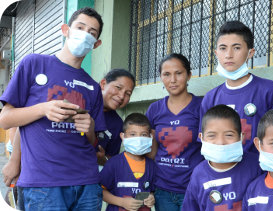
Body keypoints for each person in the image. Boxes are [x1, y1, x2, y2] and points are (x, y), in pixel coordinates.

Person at [0, 7, 106, 210]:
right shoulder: (34, 64)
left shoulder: (92, 86)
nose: (85, 35)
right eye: (80, 27)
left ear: (97, 44)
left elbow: (93, 143)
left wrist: (90, 128)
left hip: (88, 183)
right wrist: (43, 109)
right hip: (43, 184)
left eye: (91, 33)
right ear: (65, 29)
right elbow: (5, 119)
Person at [200, 21, 273, 155]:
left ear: (250, 52)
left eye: (236, 48)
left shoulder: (269, 91)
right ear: (216, 53)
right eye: (223, 48)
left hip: (258, 172)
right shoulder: (210, 98)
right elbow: (206, 143)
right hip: (222, 172)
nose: (228, 54)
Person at [145, 53, 203, 211]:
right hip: (162, 189)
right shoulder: (154, 109)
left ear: (189, 75)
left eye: (179, 73)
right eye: (167, 74)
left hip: (192, 188)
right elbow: (151, 152)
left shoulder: (202, 107)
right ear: (161, 77)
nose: (173, 80)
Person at [182, 105, 262, 210]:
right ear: (201, 138)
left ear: (241, 137)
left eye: (229, 135)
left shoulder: (257, 165)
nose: (220, 142)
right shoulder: (198, 174)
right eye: (211, 135)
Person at [100, 113, 156, 211]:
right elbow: (99, 191)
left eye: (143, 135)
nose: (138, 139)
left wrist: (151, 198)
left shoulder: (151, 166)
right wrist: (121, 202)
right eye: (133, 134)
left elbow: (151, 190)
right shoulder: (113, 164)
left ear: (150, 137)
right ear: (123, 136)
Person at [96, 69, 135, 166]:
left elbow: (111, 158)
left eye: (128, 93)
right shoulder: (82, 105)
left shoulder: (117, 124)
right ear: (103, 84)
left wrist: (102, 159)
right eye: (118, 87)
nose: (122, 96)